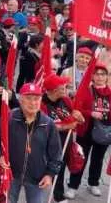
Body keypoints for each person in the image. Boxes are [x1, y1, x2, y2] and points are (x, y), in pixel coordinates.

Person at [0, 83, 62, 203]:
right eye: (28, 98)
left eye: (36, 99)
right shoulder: (9, 118)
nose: (33, 103)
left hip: (37, 176)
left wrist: (49, 174)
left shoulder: (48, 124)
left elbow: (56, 153)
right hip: (11, 173)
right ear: (21, 100)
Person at [66, 62, 111, 198]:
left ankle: (94, 183)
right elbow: (77, 108)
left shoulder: (110, 93)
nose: (99, 77)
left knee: (98, 159)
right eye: (96, 74)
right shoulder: (86, 90)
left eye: (102, 74)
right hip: (86, 130)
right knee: (80, 158)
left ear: (107, 77)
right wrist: (91, 113)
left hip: (103, 131)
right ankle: (73, 186)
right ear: (92, 76)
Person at [41, 74, 84, 203]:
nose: (65, 90)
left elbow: (75, 117)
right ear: (54, 90)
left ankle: (58, 192)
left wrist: (80, 117)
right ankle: (58, 195)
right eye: (62, 88)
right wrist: (66, 126)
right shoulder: (42, 103)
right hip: (51, 142)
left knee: (62, 166)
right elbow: (44, 125)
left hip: (66, 140)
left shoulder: (65, 100)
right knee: (54, 166)